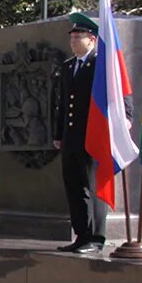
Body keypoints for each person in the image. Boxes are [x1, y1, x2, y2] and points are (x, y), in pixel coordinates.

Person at [53, 13, 108, 254]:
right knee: (74, 187)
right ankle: (81, 234)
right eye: (72, 37)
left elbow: (117, 96)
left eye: (79, 37)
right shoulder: (68, 66)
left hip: (93, 136)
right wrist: (58, 133)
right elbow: (63, 104)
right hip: (71, 137)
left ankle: (95, 237)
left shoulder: (101, 64)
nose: (74, 41)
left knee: (92, 187)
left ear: (92, 40)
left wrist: (124, 118)